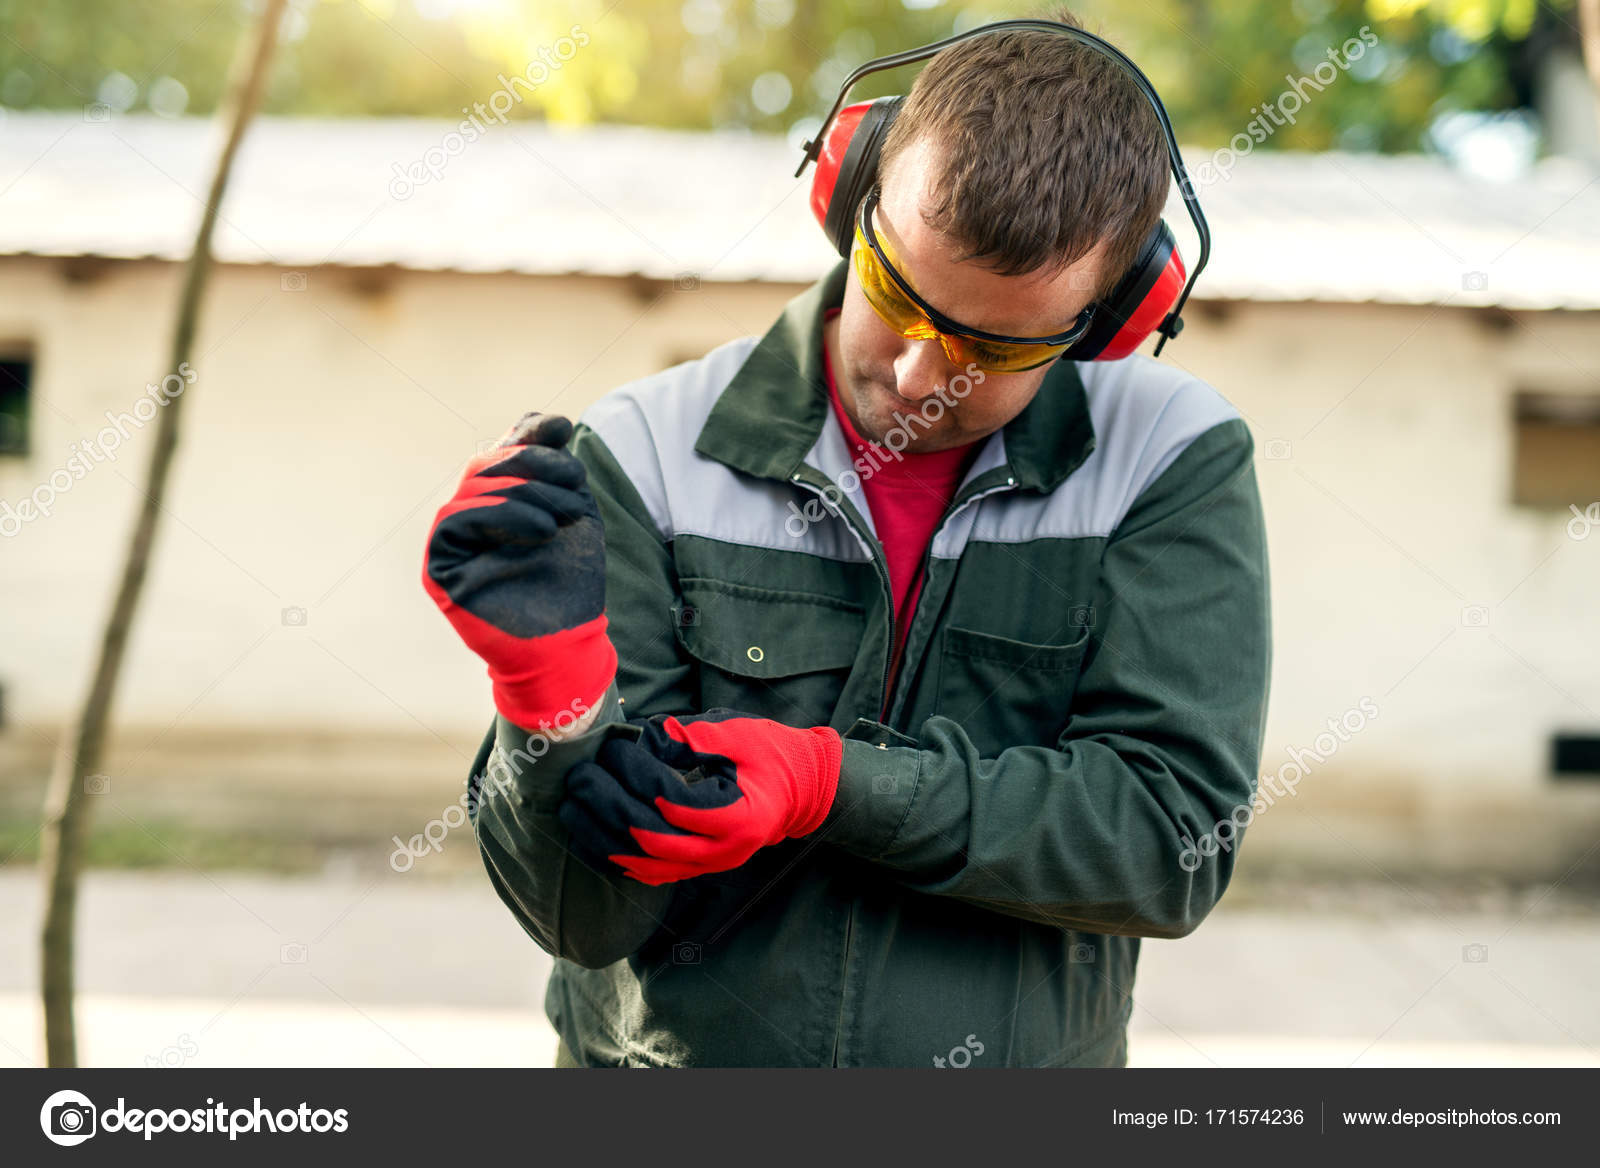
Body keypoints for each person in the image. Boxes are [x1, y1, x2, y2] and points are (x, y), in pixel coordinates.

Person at [424, 10, 1271, 1068]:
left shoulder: (1165, 459)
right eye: (896, 294)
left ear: (1108, 318)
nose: (919, 375)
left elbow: (1166, 845)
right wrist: (547, 694)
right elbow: (582, 921)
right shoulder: (649, 450)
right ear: (847, 199)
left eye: (992, 347)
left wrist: (829, 784)